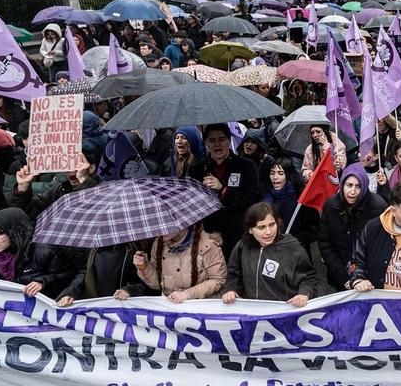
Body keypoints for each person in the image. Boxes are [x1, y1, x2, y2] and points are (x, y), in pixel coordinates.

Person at [221, 202, 317, 306]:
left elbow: (309, 277)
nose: (268, 232)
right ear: (250, 229)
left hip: (284, 311)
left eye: (271, 225)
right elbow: (233, 272)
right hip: (253, 310)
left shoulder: (292, 247)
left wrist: (304, 294)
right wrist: (230, 289)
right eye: (261, 227)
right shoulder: (243, 246)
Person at [188, 123, 262, 256]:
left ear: (229, 140)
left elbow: (252, 200)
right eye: (212, 140)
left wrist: (223, 190)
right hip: (207, 234)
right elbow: (190, 202)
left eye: (221, 139)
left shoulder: (246, 166)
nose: (217, 144)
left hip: (238, 234)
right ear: (205, 143)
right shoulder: (196, 169)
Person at [318, 164, 387, 291]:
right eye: (349, 185)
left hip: (370, 278)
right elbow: (326, 244)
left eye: (358, 186)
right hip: (341, 276)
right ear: (342, 184)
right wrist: (344, 278)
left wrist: (364, 277)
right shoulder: (331, 206)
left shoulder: (378, 206)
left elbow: (383, 246)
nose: (353, 191)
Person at [121, 223, 226, 302]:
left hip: (202, 307)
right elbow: (158, 285)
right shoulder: (158, 244)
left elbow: (218, 280)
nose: (162, 227)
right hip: (172, 306)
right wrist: (144, 267)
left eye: (167, 223)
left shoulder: (207, 245)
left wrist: (187, 294)